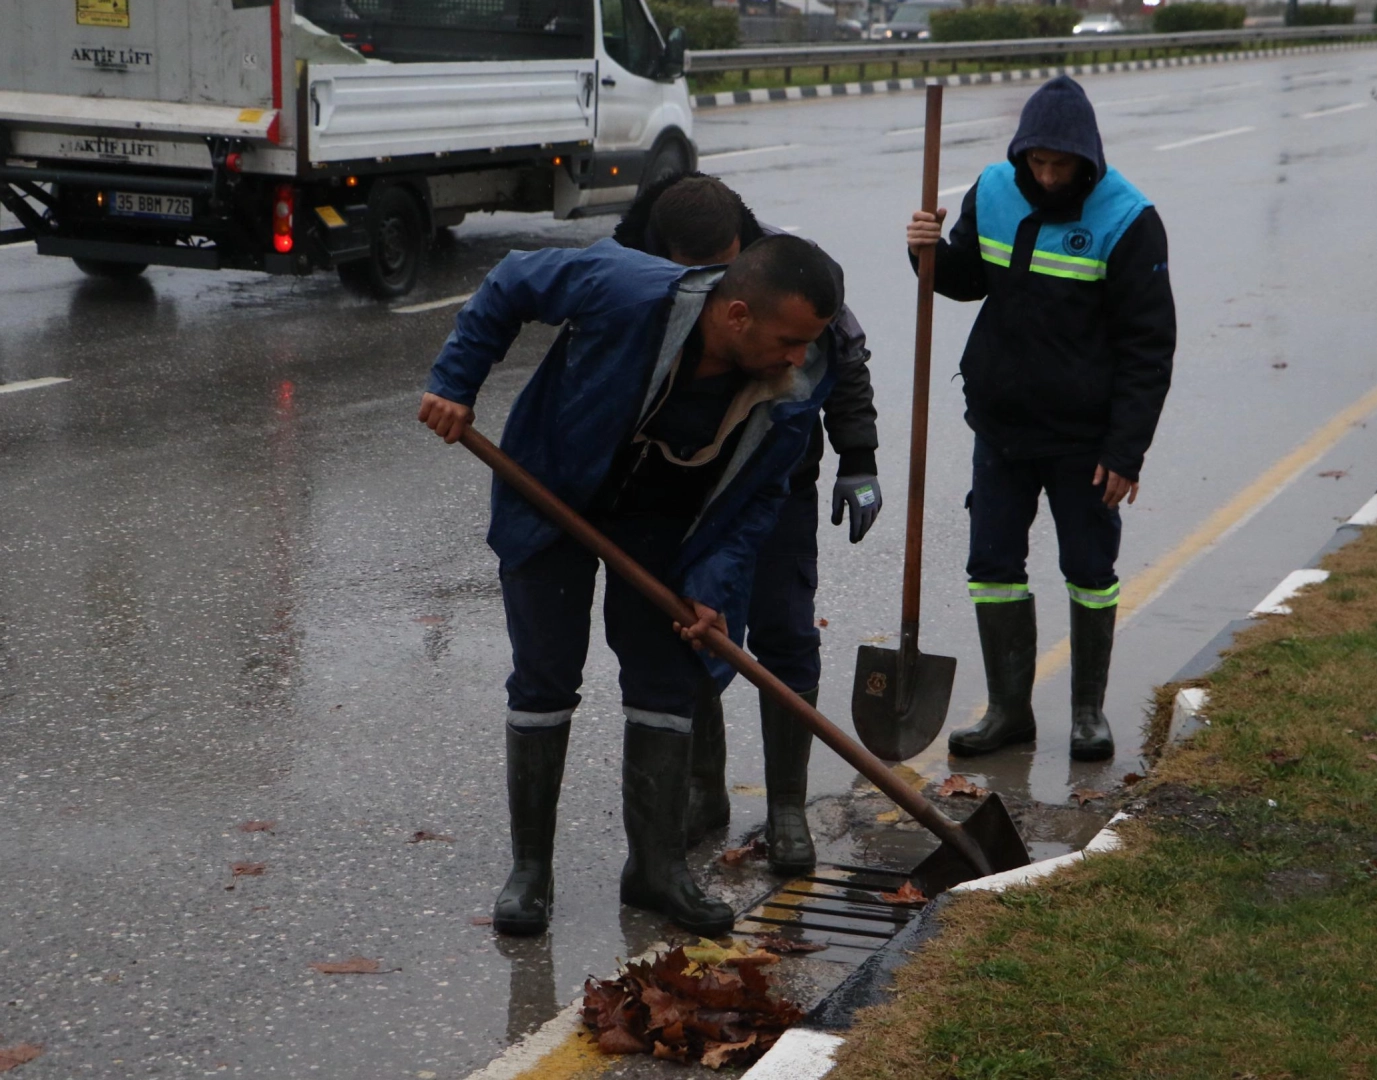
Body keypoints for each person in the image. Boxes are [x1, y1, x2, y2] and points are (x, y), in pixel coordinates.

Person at [418, 234, 844, 936]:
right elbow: (513, 280)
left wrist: (712, 584)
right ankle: (530, 873)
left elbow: (758, 498)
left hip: (666, 527)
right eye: (788, 340)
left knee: (665, 682)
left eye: (808, 342)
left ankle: (655, 869)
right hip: (551, 494)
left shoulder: (793, 383)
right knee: (545, 678)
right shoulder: (624, 289)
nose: (799, 357)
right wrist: (454, 383)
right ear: (737, 315)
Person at [613, 174, 881, 875]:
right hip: (681, 489)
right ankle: (703, 791)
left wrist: (858, 457)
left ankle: (787, 806)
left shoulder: (787, 267)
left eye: (724, 263)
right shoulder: (633, 269)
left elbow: (844, 358)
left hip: (775, 479)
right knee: (694, 629)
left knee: (785, 630)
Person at [904, 75, 1175, 762]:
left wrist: (1125, 452)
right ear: (1021, 152)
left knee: (1089, 569)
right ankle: (1008, 711)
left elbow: (1148, 347)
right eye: (1037, 162)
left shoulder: (1128, 219)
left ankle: (1087, 712)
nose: (1048, 177)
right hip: (1001, 427)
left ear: (1087, 160)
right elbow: (967, 281)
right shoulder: (994, 188)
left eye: (1061, 166)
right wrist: (926, 251)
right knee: (992, 565)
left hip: (1085, 438)